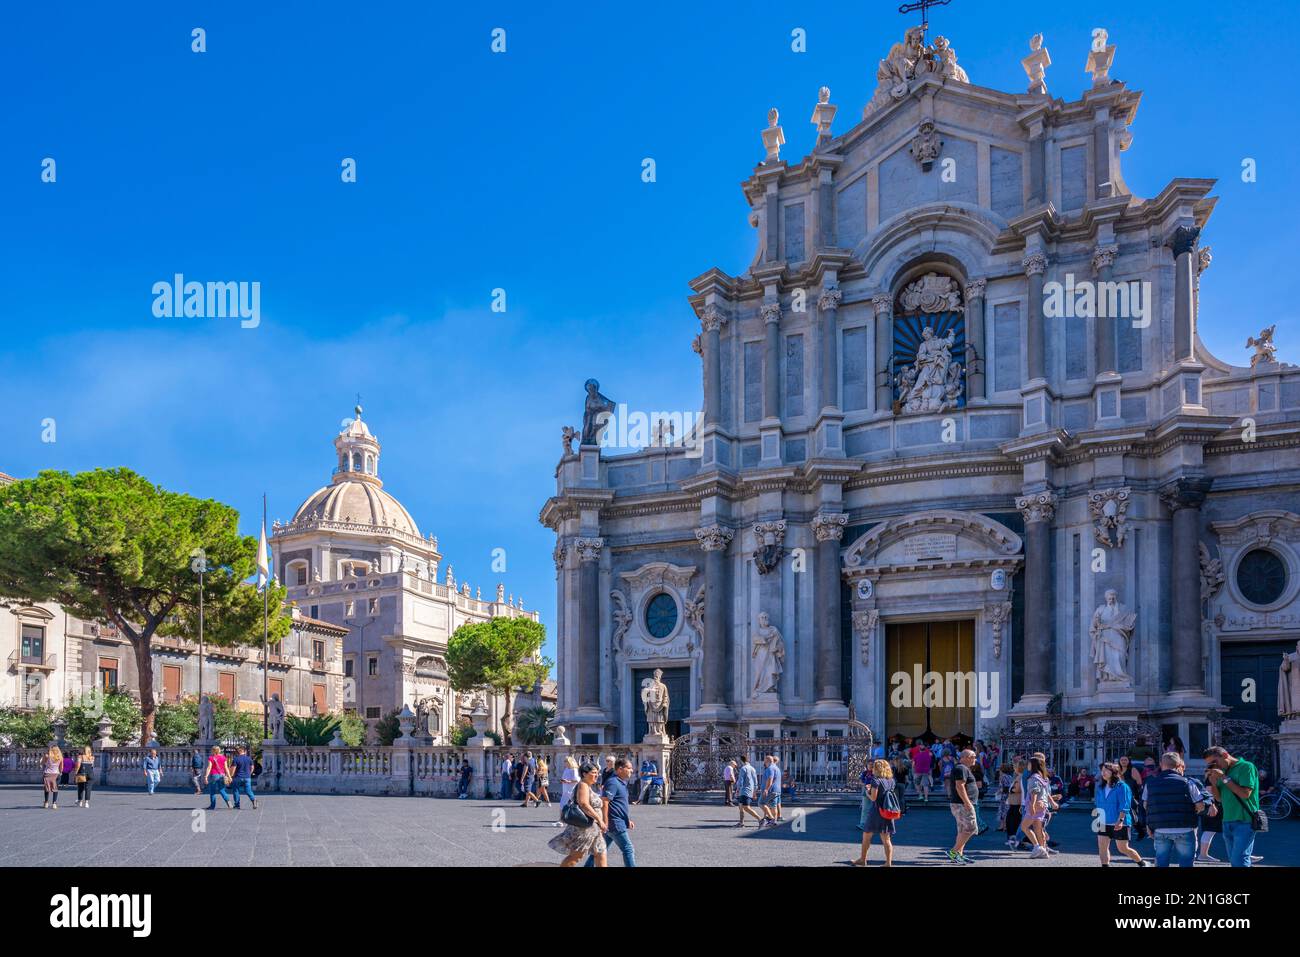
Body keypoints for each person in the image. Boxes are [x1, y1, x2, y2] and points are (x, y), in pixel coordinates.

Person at [1142, 752, 1205, 868]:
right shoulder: (1188, 783)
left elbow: (1146, 806)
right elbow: (1200, 805)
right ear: (1179, 764)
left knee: (1161, 861)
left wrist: (1149, 825)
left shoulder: (1150, 783)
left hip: (1160, 828)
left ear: (1161, 764)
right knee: (1186, 862)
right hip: (1185, 827)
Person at [1202, 746, 1259, 868]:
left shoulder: (1246, 767)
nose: (1214, 766)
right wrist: (1213, 783)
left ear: (1225, 755)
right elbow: (1219, 799)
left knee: (1239, 860)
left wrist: (1223, 777)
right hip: (1227, 820)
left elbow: (1245, 794)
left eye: (1214, 762)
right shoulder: (1223, 771)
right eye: (1210, 764)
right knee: (1235, 860)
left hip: (1245, 821)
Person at [548, 761, 606, 867]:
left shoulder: (588, 786)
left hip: (594, 828)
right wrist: (599, 819)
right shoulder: (582, 785)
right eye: (593, 772)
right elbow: (583, 804)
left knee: (601, 854)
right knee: (576, 856)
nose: (597, 775)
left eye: (597, 772)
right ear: (584, 774)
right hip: (585, 828)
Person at [585, 757, 637, 867]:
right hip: (614, 823)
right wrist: (605, 822)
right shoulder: (613, 782)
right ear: (620, 769)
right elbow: (605, 803)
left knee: (599, 850)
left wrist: (628, 820)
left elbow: (620, 804)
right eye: (629, 768)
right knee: (628, 849)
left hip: (615, 822)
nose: (632, 770)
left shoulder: (621, 782)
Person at [1094, 762, 1148, 867]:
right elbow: (1099, 804)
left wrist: (1120, 820)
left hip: (1120, 821)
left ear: (1114, 772)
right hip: (1103, 821)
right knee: (1102, 846)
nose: (1103, 772)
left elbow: (1125, 805)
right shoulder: (1101, 787)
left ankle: (1142, 863)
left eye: (1106, 770)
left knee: (1123, 848)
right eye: (1102, 770)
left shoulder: (1122, 786)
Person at [852, 759, 898, 867]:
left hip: (876, 811)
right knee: (886, 838)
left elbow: (873, 798)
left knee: (866, 835)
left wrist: (868, 791)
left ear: (877, 769)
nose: (872, 769)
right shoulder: (891, 780)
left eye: (874, 767)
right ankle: (888, 862)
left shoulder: (875, 780)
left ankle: (863, 860)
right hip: (887, 811)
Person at [946, 749, 980, 864]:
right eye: (973, 756)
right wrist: (967, 802)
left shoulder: (962, 768)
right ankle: (954, 852)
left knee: (962, 830)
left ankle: (958, 855)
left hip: (961, 804)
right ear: (965, 757)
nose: (975, 758)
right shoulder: (961, 768)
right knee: (971, 828)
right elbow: (959, 786)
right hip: (962, 804)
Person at [1022, 756, 1057, 858]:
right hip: (1042, 806)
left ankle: (1037, 847)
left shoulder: (1033, 777)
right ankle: (1043, 850)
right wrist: (1052, 802)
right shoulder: (1042, 777)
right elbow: (1045, 793)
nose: (1027, 765)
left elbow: (1034, 792)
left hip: (1035, 805)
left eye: (1029, 763)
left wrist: (1032, 805)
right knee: (1038, 829)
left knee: (1024, 827)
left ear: (1033, 765)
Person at [734, 755, 765, 827]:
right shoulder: (753, 769)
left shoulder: (743, 768)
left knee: (746, 807)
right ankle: (741, 822)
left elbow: (740, 781)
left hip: (744, 790)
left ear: (741, 761)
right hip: (750, 790)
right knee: (740, 806)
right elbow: (755, 781)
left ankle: (760, 819)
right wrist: (754, 791)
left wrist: (737, 790)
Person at [1003, 759, 1024, 848]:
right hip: (1014, 802)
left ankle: (1014, 840)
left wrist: (1010, 789)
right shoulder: (1018, 776)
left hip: (1017, 802)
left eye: (1015, 766)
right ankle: (1012, 839)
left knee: (1013, 822)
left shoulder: (1020, 777)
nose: (1014, 768)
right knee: (1011, 822)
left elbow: (1018, 789)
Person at [205, 745, 232, 810]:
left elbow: (209, 767)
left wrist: (206, 776)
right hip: (222, 775)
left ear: (213, 750)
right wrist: (229, 776)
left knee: (212, 791)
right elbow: (226, 768)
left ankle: (212, 806)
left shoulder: (211, 758)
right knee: (222, 790)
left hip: (214, 775)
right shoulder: (223, 757)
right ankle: (228, 801)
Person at [229, 745, 256, 809]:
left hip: (237, 777)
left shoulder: (236, 759)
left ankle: (237, 805)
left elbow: (233, 769)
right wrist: (249, 773)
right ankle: (253, 800)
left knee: (236, 790)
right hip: (247, 777)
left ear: (238, 751)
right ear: (245, 751)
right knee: (248, 790)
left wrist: (231, 776)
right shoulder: (249, 758)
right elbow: (252, 767)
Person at [759, 754, 783, 827]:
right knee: (773, 806)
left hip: (770, 790)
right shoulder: (777, 768)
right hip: (777, 790)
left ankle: (771, 819)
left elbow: (770, 779)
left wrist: (766, 789)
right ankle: (773, 821)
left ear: (768, 761)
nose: (764, 762)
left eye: (765, 761)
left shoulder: (770, 768)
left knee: (761, 803)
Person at [42, 745, 62, 809]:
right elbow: (61, 767)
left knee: (47, 788)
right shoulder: (60, 757)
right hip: (56, 774)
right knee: (55, 789)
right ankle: (54, 803)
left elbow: (42, 763)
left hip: (47, 773)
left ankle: (46, 803)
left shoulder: (47, 756)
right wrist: (60, 772)